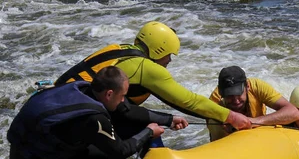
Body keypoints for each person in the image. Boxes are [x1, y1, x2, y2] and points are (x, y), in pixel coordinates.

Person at [54, 21, 251, 140]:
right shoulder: (147, 68)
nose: (169, 61)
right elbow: (189, 101)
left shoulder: (118, 48)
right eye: (169, 55)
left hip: (59, 104)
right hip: (74, 121)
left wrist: (167, 119)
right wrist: (231, 117)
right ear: (160, 50)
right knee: (148, 129)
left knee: (143, 122)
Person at [8, 66, 180, 159]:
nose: (123, 101)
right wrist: (149, 132)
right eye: (122, 96)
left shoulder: (84, 88)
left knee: (112, 148)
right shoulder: (93, 118)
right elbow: (119, 151)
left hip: (37, 151)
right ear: (109, 94)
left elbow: (127, 111)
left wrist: (169, 119)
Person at [207, 66, 299, 141]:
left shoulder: (257, 87)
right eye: (230, 96)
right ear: (220, 92)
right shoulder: (214, 101)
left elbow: (293, 113)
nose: (236, 101)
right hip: (227, 141)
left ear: (247, 86)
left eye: (239, 94)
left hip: (257, 135)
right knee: (212, 121)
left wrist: (253, 121)